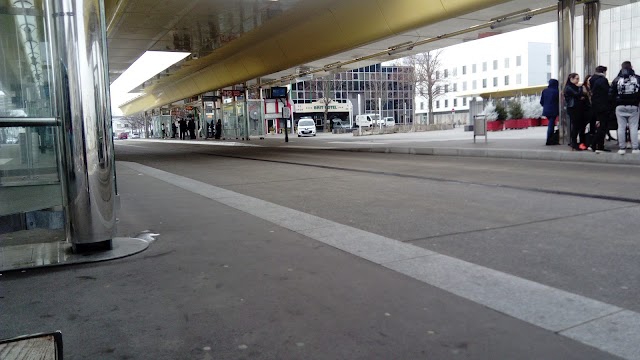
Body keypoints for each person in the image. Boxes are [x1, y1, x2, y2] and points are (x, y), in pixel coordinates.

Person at [610, 61, 640, 154]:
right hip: (634, 106)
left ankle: (622, 148)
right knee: (634, 127)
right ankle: (635, 148)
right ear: (631, 67)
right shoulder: (637, 78)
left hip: (620, 106)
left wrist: (615, 103)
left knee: (621, 127)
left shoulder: (617, 79)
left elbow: (611, 94)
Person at [589, 65, 612, 152]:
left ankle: (597, 145)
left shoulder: (592, 79)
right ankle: (595, 145)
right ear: (603, 72)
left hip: (595, 106)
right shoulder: (602, 80)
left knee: (599, 126)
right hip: (603, 106)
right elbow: (608, 92)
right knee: (603, 127)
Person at [564, 73, 588, 150]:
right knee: (576, 126)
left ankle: (580, 143)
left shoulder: (574, 87)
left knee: (580, 126)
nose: (578, 80)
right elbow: (577, 94)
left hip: (578, 108)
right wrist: (581, 89)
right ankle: (573, 143)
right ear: (571, 79)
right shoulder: (569, 87)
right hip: (573, 109)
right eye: (576, 78)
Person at [540, 79, 560, 145]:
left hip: (546, 110)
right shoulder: (557, 91)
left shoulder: (544, 91)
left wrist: (545, 106)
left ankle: (550, 139)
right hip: (553, 110)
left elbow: (541, 102)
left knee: (551, 123)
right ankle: (549, 140)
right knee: (551, 124)